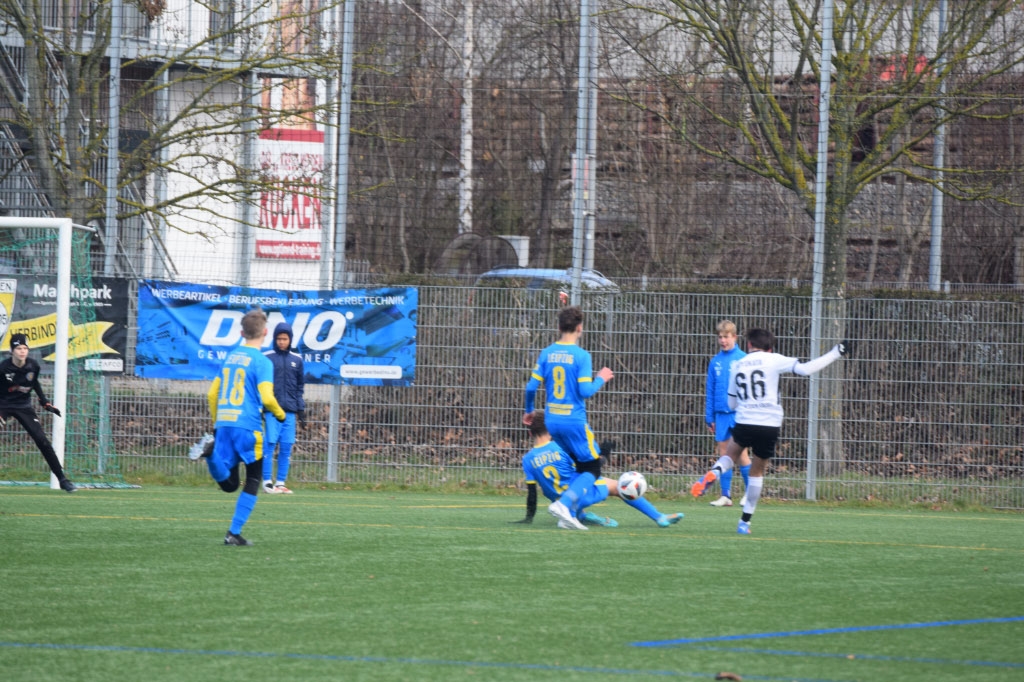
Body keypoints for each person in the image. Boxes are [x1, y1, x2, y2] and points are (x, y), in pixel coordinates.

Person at [690, 329, 851, 534]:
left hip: (745, 421)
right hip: (769, 424)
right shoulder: (775, 359)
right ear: (770, 348)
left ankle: (714, 472)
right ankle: (744, 523)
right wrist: (836, 352)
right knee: (757, 472)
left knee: (730, 455)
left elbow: (731, 403)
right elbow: (806, 369)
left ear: (749, 345)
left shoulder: (738, 364)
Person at [513, 410, 683, 529]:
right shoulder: (560, 447)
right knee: (618, 486)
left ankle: (581, 515)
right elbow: (590, 470)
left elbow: (532, 494)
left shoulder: (527, 459)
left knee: (569, 490)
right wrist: (605, 453)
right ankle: (659, 517)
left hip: (559, 501)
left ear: (530, 433)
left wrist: (528, 518)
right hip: (580, 495)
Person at [523, 306, 614, 530]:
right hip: (573, 421)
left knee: (578, 465)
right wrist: (601, 378)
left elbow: (531, 387)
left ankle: (569, 515)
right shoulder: (582, 356)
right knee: (593, 468)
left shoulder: (547, 353)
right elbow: (585, 391)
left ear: (558, 327)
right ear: (580, 328)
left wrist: (530, 410)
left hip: (552, 421)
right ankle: (564, 505)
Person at [205, 309, 286, 546]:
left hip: (224, 424)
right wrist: (280, 414)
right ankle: (233, 533)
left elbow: (212, 394)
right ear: (266, 332)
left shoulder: (230, 357)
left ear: (241, 333)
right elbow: (267, 398)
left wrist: (217, 423)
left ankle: (210, 455)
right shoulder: (262, 362)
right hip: (247, 425)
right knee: (253, 478)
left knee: (230, 484)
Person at [0, 333, 75, 492]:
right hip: (3, 404)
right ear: (12, 350)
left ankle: (62, 480)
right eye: (18, 348)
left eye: (25, 348)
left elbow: (35, 384)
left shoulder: (33, 366)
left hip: (23, 406)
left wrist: (45, 402)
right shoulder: (3, 368)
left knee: (43, 441)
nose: (22, 351)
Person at [701, 320, 751, 507]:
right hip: (721, 416)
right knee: (724, 455)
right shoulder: (715, 362)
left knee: (742, 454)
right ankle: (726, 496)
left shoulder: (743, 359)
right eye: (720, 337)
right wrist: (710, 417)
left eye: (726, 337)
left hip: (739, 415)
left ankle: (750, 495)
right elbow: (710, 391)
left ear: (734, 337)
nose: (723, 340)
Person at [262, 322, 305, 495]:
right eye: (279, 338)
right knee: (269, 444)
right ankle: (267, 482)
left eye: (285, 339)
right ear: (274, 339)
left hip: (290, 412)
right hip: (272, 411)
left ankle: (280, 482)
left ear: (290, 340)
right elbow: (261, 384)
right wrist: (262, 407)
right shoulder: (267, 357)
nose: (281, 341)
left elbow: (299, 387)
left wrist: (300, 409)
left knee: (286, 446)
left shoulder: (297, 360)